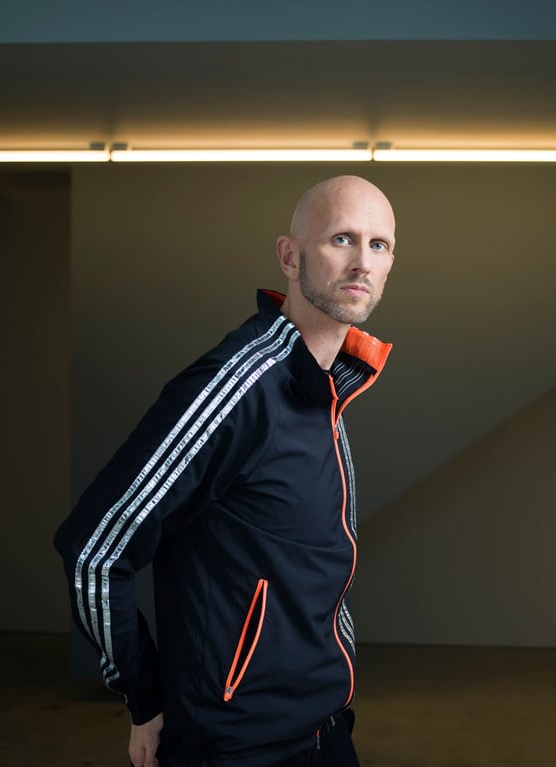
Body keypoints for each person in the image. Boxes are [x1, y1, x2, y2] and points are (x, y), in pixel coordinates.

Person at [54, 175, 397, 767]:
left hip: (324, 729)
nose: (361, 262)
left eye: (379, 245)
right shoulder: (237, 387)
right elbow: (93, 550)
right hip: (236, 747)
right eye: (341, 238)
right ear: (290, 257)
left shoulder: (327, 391)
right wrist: (144, 698)